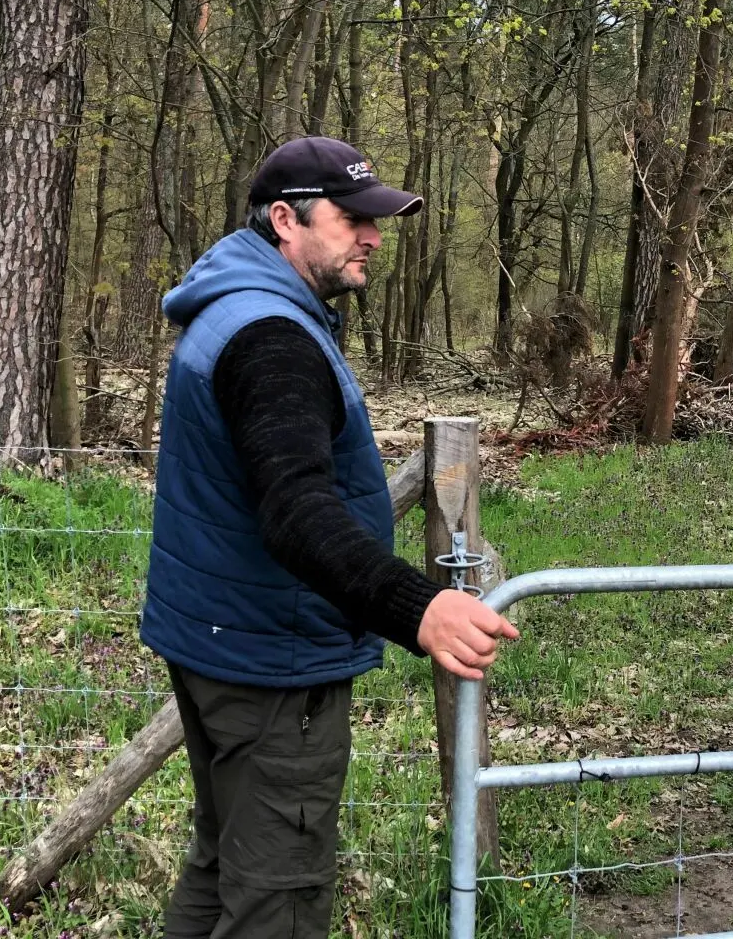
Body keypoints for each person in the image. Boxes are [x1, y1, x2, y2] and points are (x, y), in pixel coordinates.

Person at [140, 135, 519, 939]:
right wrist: (420, 610)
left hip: (218, 641)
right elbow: (297, 513)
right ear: (286, 220)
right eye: (352, 219)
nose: (373, 238)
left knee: (222, 867)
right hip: (271, 662)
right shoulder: (271, 337)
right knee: (278, 895)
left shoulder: (233, 306)